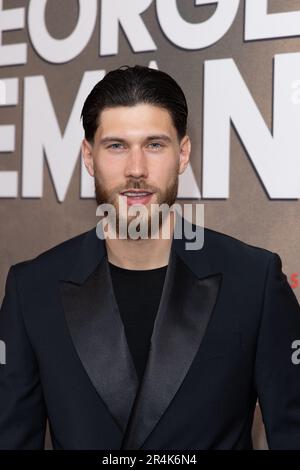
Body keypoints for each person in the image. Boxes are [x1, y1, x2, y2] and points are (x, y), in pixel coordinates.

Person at [0, 65, 300, 450]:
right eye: (116, 146)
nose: (136, 170)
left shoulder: (254, 281)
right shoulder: (32, 290)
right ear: (89, 157)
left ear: (183, 154)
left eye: (155, 144)